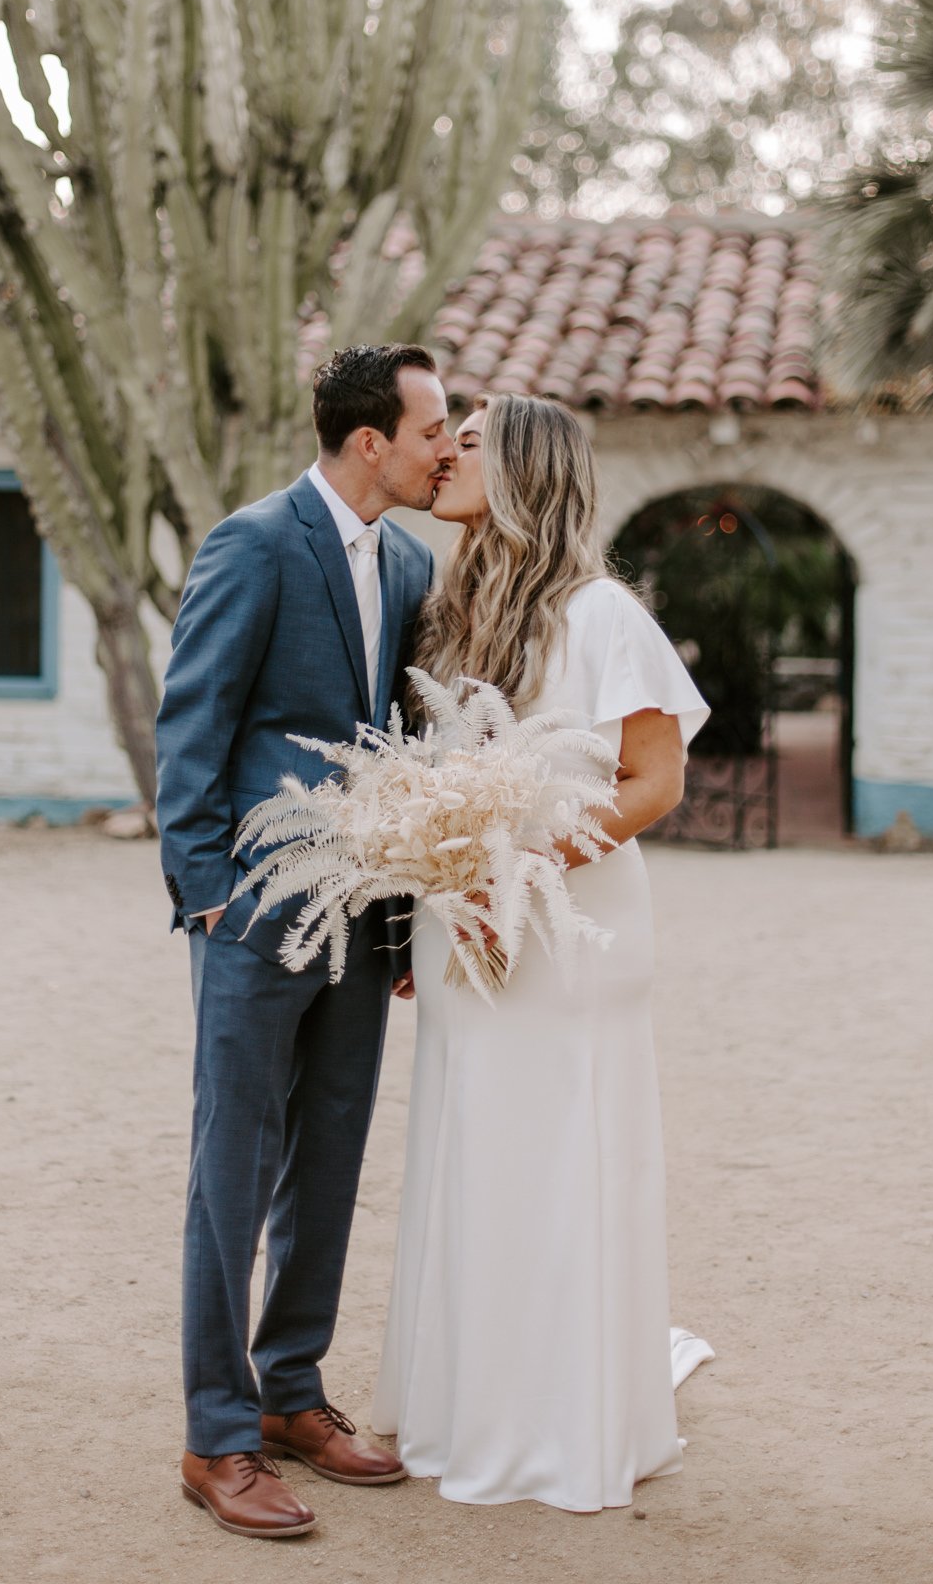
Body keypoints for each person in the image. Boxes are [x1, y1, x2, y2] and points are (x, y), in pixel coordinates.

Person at [372, 393, 711, 1512]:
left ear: (523, 467)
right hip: (461, 932)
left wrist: (515, 877)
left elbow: (652, 782)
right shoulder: (445, 614)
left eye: (468, 440)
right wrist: (436, 889)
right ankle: (471, 1404)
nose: (445, 453)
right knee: (472, 1152)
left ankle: (565, 1420)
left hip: (569, 932)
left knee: (558, 1157)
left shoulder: (604, 612)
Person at [156, 344, 455, 1540]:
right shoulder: (253, 540)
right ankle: (216, 1435)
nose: (449, 445)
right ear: (370, 440)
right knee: (232, 1172)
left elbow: (394, 745)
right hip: (253, 911)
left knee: (327, 1157)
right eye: (434, 426)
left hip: (362, 914)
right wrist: (204, 888)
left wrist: (400, 911)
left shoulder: (415, 560)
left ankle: (292, 1395)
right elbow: (196, 716)